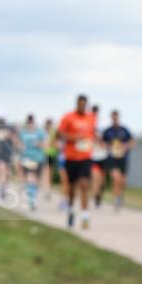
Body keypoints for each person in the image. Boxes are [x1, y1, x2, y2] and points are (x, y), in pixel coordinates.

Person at [57, 94, 97, 229]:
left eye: (84, 104)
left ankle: (85, 216)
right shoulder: (68, 117)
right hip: (71, 157)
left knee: (85, 184)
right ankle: (71, 210)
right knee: (72, 188)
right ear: (76, 104)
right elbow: (60, 134)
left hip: (85, 157)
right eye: (80, 104)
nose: (82, 106)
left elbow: (92, 134)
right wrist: (74, 138)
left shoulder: (91, 118)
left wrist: (93, 142)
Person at [101, 109, 135, 210]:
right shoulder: (107, 131)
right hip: (112, 158)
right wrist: (108, 147)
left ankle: (120, 195)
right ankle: (116, 198)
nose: (115, 119)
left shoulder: (124, 130)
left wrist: (126, 146)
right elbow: (102, 142)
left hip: (123, 158)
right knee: (116, 178)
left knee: (123, 181)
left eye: (116, 117)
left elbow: (132, 142)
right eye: (113, 117)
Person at [18, 114, 47, 210]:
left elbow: (45, 144)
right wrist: (21, 147)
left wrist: (38, 144)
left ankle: (32, 195)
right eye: (29, 122)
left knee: (37, 181)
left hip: (38, 158)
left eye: (31, 122)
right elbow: (19, 143)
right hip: (27, 158)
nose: (30, 123)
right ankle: (31, 201)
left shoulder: (40, 132)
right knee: (31, 178)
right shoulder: (23, 132)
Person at [89, 104, 108, 208]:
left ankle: (99, 195)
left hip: (103, 157)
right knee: (95, 178)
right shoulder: (88, 126)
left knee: (102, 181)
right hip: (93, 157)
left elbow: (107, 142)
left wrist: (102, 142)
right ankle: (96, 196)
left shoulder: (102, 127)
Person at [41, 118, 56, 201]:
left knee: (50, 174)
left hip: (51, 154)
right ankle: (46, 190)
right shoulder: (43, 133)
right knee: (45, 173)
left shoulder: (53, 133)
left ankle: (48, 189)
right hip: (44, 155)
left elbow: (54, 143)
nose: (49, 126)